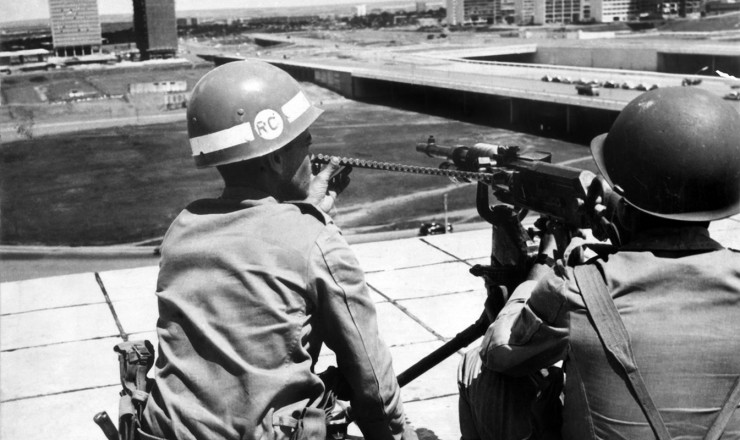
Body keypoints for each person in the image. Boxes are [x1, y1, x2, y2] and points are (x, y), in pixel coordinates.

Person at [141, 60, 413, 440]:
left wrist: (304, 215)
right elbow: (370, 374)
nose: (310, 153)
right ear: (274, 157)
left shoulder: (183, 228)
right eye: (306, 142)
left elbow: (256, 245)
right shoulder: (314, 239)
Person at [458, 86, 740, 439]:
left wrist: (543, 268)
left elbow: (500, 352)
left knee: (477, 364)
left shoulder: (575, 289)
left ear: (621, 200)